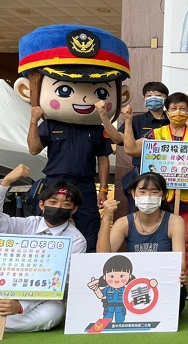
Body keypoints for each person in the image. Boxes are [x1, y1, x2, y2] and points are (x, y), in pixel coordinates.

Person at [15, 24, 131, 251]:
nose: (84, 98)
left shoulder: (96, 127)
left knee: (88, 226)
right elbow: (34, 149)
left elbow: (103, 158)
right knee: (48, 225)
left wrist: (103, 189)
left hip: (85, 183)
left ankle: (84, 265)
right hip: (55, 180)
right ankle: (46, 260)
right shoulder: (51, 124)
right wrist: (33, 121)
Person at [123, 92, 188, 282]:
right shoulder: (155, 134)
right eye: (174, 108)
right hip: (160, 199)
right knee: (158, 239)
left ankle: (180, 284)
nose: (178, 112)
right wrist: (128, 121)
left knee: (185, 241)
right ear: (167, 111)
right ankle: (155, 279)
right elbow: (131, 149)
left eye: (183, 108)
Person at [0, 164, 87, 332]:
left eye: (66, 204)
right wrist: (6, 182)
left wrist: (21, 304)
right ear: (41, 205)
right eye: (53, 202)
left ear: (74, 209)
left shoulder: (76, 240)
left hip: (42, 298)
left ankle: (8, 322)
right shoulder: (27, 224)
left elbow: (60, 282)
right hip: (8, 286)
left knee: (54, 313)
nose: (58, 207)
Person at [96, 172, 188, 312]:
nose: (148, 197)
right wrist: (106, 219)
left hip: (163, 282)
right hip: (131, 284)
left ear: (164, 195)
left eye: (154, 192)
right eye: (142, 191)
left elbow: (180, 262)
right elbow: (102, 257)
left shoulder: (174, 221)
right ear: (133, 194)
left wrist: (176, 273)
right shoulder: (124, 223)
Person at [97, 81, 170, 212]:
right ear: (144, 99)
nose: (153, 98)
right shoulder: (136, 120)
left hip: (169, 175)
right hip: (142, 175)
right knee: (138, 214)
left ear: (166, 98)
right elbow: (118, 138)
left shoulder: (173, 121)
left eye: (158, 95)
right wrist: (104, 117)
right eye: (149, 96)